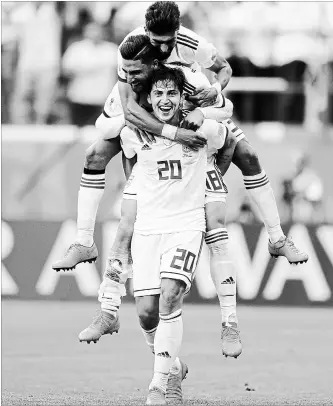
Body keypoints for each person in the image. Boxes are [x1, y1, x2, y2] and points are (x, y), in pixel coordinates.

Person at [53, 1, 308, 277]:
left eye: (168, 42)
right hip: (144, 109)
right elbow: (129, 110)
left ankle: (277, 237)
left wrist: (212, 92)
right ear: (146, 32)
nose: (163, 49)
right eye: (156, 42)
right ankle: (84, 241)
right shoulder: (131, 49)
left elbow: (224, 71)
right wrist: (174, 133)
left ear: (178, 30)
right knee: (95, 155)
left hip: (186, 105)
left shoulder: (190, 52)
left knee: (248, 155)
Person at [54, 34, 241, 361]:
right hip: (152, 168)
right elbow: (105, 127)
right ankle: (108, 308)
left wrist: (207, 114)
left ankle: (230, 321)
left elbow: (226, 121)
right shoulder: (128, 87)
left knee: (217, 224)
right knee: (125, 221)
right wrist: (138, 166)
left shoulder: (188, 77)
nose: (128, 75)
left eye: (133, 69)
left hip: (198, 166)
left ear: (153, 62)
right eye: (125, 70)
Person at [122, 65, 227, 405]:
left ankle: (157, 386)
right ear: (148, 99)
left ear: (182, 98)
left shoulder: (203, 128)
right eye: (158, 94)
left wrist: (214, 177)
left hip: (186, 225)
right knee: (146, 314)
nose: (165, 100)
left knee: (170, 296)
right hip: (148, 229)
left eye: (171, 93)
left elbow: (228, 142)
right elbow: (123, 156)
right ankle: (173, 367)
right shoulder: (135, 133)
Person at [62, 22, 118, 126]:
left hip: (103, 99)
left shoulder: (112, 49)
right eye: (91, 30)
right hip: (79, 97)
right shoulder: (76, 48)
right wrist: (83, 70)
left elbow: (119, 74)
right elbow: (66, 71)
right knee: (78, 128)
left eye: (97, 31)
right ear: (85, 32)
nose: (95, 34)